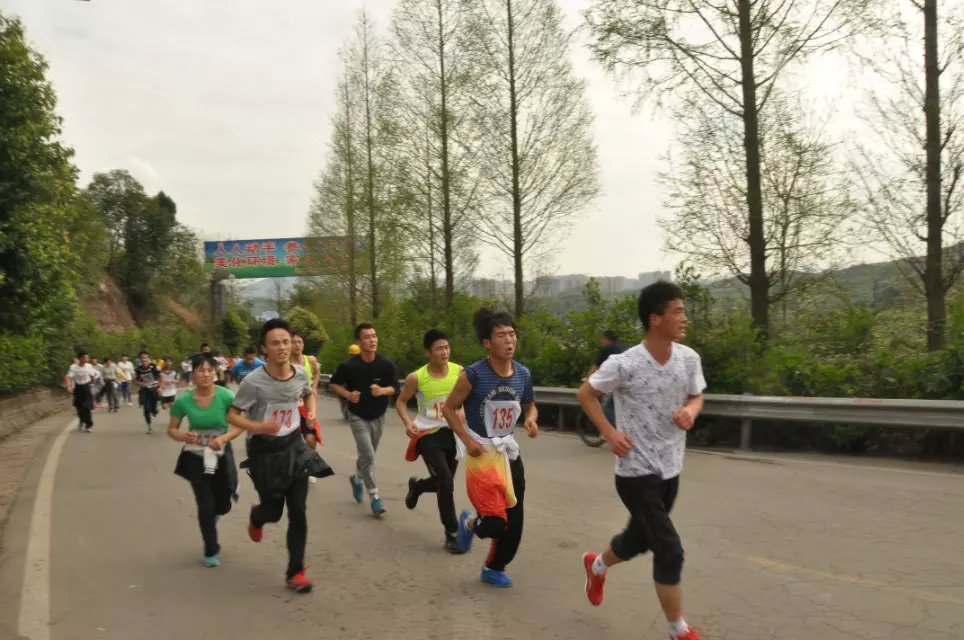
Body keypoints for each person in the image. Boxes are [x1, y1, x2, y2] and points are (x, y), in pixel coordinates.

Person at [576, 281, 706, 640]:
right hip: (635, 472)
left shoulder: (688, 359)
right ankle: (678, 630)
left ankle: (596, 565)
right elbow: (586, 394)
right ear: (655, 319)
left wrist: (691, 411)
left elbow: (697, 396)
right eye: (677, 311)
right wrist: (609, 432)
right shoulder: (625, 364)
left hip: (671, 468)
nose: (684, 318)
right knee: (669, 549)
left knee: (638, 540)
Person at [228, 318, 332, 593]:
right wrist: (259, 427)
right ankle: (257, 516)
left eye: (286, 341)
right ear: (264, 348)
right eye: (275, 343)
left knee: (298, 510)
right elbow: (233, 415)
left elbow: (308, 394)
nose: (282, 347)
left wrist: (311, 411)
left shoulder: (300, 373)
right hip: (264, 451)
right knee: (273, 512)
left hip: (294, 446)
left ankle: (295, 572)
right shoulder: (253, 382)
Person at [442, 308, 539, 588]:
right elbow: (449, 409)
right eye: (501, 335)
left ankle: (494, 568)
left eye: (512, 334)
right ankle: (469, 524)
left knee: (515, 520)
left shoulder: (523, 374)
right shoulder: (473, 375)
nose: (509, 340)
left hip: (508, 453)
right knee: (496, 523)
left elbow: (530, 405)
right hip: (482, 454)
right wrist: (467, 440)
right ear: (487, 342)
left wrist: (531, 419)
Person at [168, 353, 245, 567]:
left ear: (216, 373)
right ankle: (211, 550)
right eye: (201, 370)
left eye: (210, 370)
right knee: (205, 505)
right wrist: (182, 436)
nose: (206, 374)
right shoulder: (183, 401)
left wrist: (223, 438)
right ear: (192, 374)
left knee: (224, 501)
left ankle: (216, 513)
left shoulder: (226, 396)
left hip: (221, 453)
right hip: (195, 456)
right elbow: (172, 429)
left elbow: (240, 424)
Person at [395, 329, 465, 553]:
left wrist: (463, 412)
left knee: (443, 483)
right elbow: (401, 402)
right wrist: (408, 423)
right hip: (428, 434)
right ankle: (452, 533)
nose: (444, 352)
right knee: (445, 482)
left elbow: (468, 397)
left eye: (446, 347)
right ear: (428, 352)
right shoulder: (416, 378)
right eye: (439, 349)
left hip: (453, 433)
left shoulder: (459, 372)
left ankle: (417, 487)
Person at [329, 323, 399, 516]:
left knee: (368, 456)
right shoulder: (349, 366)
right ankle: (375, 496)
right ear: (359, 342)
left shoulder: (385, 364)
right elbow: (334, 384)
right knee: (368, 454)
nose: (372, 340)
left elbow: (395, 387)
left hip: (378, 416)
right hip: (357, 416)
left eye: (374, 336)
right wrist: (347, 395)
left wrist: (382, 390)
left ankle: (357, 478)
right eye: (367, 337)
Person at [290, 333, 321, 483]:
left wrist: (313, 388)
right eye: (294, 342)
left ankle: (310, 466)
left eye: (300, 342)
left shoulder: (310, 360)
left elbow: (316, 372)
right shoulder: (284, 362)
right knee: (291, 439)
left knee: (311, 437)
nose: (297, 345)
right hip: (290, 406)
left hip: (307, 404)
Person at [588, 330, 629, 426]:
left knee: (607, 408)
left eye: (602, 339)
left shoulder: (607, 348)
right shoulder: (625, 347)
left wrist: (588, 379)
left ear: (606, 339)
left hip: (620, 382)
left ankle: (620, 430)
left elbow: (595, 368)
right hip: (632, 380)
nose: (601, 341)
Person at [65, 351, 100, 432]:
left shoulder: (89, 366)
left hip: (87, 387)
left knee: (86, 407)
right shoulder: (73, 367)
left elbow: (92, 376)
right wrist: (69, 386)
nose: (87, 359)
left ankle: (89, 425)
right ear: (80, 358)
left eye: (87, 357)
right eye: (85, 357)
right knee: (79, 407)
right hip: (78, 388)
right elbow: (69, 377)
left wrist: (95, 386)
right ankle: (81, 420)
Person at [134, 352, 161, 434]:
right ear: (140, 359)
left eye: (145, 357)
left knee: (153, 410)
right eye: (142, 358)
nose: (144, 359)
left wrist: (160, 386)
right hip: (144, 390)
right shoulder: (138, 369)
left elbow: (161, 376)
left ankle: (155, 410)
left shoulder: (154, 366)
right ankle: (149, 427)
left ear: (148, 359)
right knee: (146, 409)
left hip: (153, 389)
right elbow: (135, 381)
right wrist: (141, 384)